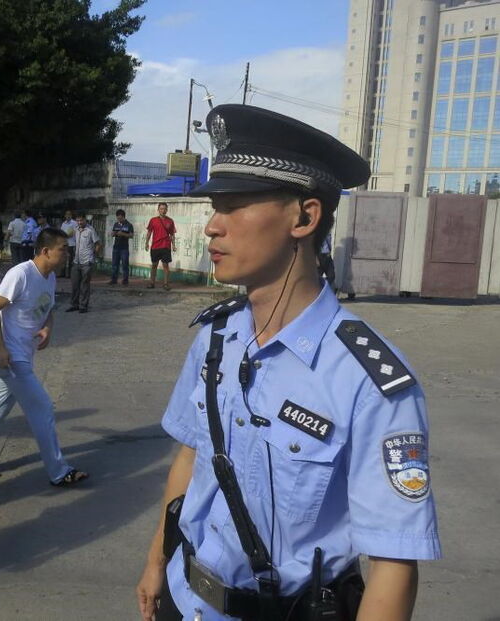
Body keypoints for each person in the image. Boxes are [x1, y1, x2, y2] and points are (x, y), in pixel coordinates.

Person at [136, 105, 441, 621]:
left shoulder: (370, 382)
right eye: (215, 204)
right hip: (184, 599)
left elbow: (393, 562)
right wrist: (155, 563)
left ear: (304, 217)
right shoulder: (216, 337)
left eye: (233, 205)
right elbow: (191, 459)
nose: (212, 226)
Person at [0, 227, 87, 486]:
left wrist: (48, 328)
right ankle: (59, 472)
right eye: (63, 249)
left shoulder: (48, 277)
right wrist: (2, 348)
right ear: (45, 251)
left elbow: (48, 309)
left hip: (20, 356)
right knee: (43, 408)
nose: (66, 254)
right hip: (12, 359)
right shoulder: (21, 274)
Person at [66, 213, 101, 314]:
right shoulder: (75, 230)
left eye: (81, 220)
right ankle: (74, 305)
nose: (79, 222)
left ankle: (83, 306)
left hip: (87, 262)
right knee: (75, 285)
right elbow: (67, 237)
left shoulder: (90, 230)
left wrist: (94, 256)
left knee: (84, 285)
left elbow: (98, 244)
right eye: (77, 220)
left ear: (85, 220)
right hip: (76, 261)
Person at [144, 202, 176, 291]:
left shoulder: (170, 221)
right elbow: (149, 232)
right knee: (154, 265)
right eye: (161, 209)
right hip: (155, 246)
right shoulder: (153, 220)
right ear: (158, 210)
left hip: (166, 246)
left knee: (166, 265)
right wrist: (146, 243)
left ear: (167, 210)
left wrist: (173, 245)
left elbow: (172, 234)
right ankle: (152, 282)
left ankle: (166, 284)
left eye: (165, 209)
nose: (163, 210)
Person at [108, 209, 134, 286]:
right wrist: (113, 233)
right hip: (116, 247)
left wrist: (123, 234)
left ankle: (125, 280)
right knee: (114, 264)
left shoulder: (129, 225)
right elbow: (113, 233)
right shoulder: (116, 224)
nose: (119, 219)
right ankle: (114, 280)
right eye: (117, 218)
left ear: (123, 217)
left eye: (120, 218)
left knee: (125, 264)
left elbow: (131, 235)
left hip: (124, 248)